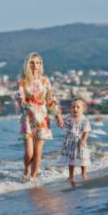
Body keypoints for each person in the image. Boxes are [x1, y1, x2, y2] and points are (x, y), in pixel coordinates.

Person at [15, 52, 64, 182]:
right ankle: (26, 169)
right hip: (28, 118)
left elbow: (50, 100)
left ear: (40, 65)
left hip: (42, 118)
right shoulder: (23, 82)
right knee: (29, 153)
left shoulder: (45, 81)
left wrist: (58, 115)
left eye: (37, 63)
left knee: (38, 151)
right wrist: (20, 100)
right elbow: (20, 96)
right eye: (32, 62)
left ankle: (32, 178)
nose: (35, 65)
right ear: (27, 64)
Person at [60, 97, 91, 186]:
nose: (75, 109)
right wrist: (59, 121)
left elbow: (86, 131)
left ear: (83, 109)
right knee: (71, 160)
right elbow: (62, 125)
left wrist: (83, 140)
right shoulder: (68, 118)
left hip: (80, 142)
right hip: (70, 142)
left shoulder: (85, 120)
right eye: (73, 107)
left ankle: (83, 173)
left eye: (78, 107)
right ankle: (71, 175)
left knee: (82, 159)